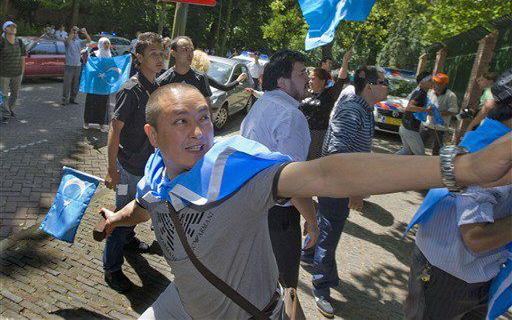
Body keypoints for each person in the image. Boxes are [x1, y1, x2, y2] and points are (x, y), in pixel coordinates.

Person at [99, 81, 512, 320]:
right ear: (153, 136)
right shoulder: (155, 172)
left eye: (204, 117)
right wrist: (116, 218)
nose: (198, 132)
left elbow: (323, 174)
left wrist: (462, 169)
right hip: (181, 306)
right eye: (181, 122)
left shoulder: (235, 170)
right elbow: (148, 204)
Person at [403, 69, 512, 320]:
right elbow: (475, 237)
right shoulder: (492, 150)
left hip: (469, 273)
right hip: (448, 276)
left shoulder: (491, 138)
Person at [303, 65, 389, 317]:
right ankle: (321, 287)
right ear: (370, 86)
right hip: (338, 184)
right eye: (384, 82)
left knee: (324, 226)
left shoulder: (362, 107)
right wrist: (354, 189)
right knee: (330, 234)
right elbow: (339, 153)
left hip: (339, 182)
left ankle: (308, 254)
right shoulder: (353, 109)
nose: (387, 87)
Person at [241, 50, 319, 292]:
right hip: (278, 219)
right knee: (283, 290)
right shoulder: (291, 116)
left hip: (252, 208)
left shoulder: (262, 103)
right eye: (302, 73)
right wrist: (313, 221)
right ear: (282, 82)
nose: (308, 77)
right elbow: (291, 182)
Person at [102, 32, 163, 293]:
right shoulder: (131, 90)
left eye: (162, 54)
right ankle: (112, 268)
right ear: (139, 58)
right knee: (118, 219)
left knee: (136, 214)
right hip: (128, 172)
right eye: (154, 54)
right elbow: (114, 130)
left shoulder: (157, 87)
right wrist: (111, 170)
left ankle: (129, 241)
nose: (160, 59)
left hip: (149, 169)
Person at [156, 36, 212, 104]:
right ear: (173, 53)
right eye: (185, 50)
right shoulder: (163, 81)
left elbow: (207, 109)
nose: (190, 54)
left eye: (192, 50)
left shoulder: (201, 78)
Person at [300, 67, 335, 160]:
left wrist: (345, 62)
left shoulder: (329, 95)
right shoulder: (305, 93)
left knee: (312, 161)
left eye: (313, 79)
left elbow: (341, 81)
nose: (310, 81)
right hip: (302, 132)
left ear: (322, 81)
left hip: (318, 135)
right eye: (310, 79)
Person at [420, 73, 459, 155]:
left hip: (440, 128)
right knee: (418, 145)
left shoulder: (451, 96)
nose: (436, 84)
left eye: (439, 83)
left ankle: (434, 166)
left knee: (436, 150)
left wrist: (437, 113)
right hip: (426, 124)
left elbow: (454, 110)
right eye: (435, 82)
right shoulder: (430, 92)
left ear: (445, 84)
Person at [396, 72, 434, 156]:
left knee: (407, 151)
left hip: (406, 127)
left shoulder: (421, 93)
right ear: (422, 83)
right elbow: (409, 107)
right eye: (430, 80)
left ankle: (388, 161)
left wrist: (427, 111)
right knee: (421, 156)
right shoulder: (420, 94)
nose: (432, 82)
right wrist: (426, 110)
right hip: (410, 128)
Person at [83, 37, 112, 131]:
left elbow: (113, 68)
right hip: (94, 83)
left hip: (105, 84)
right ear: (100, 44)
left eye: (108, 43)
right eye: (105, 43)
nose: (107, 45)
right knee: (92, 102)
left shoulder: (110, 55)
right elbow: (89, 67)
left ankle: (101, 123)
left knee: (103, 103)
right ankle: (86, 122)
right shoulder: (94, 55)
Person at [0, 21, 26, 119]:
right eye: (10, 27)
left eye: (14, 26)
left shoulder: (19, 42)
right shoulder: (1, 42)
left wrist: (22, 72)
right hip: (4, 74)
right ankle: (5, 113)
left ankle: (10, 109)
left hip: (17, 73)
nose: (13, 28)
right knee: (4, 95)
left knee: (15, 94)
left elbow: (23, 58)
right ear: (5, 29)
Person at [62, 26, 91, 106]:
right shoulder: (67, 41)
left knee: (75, 84)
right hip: (69, 66)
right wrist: (73, 32)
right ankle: (65, 100)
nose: (75, 34)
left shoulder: (79, 42)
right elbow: (67, 40)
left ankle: (73, 98)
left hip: (78, 66)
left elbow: (89, 40)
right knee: (67, 84)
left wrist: (85, 33)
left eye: (76, 33)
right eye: (73, 32)